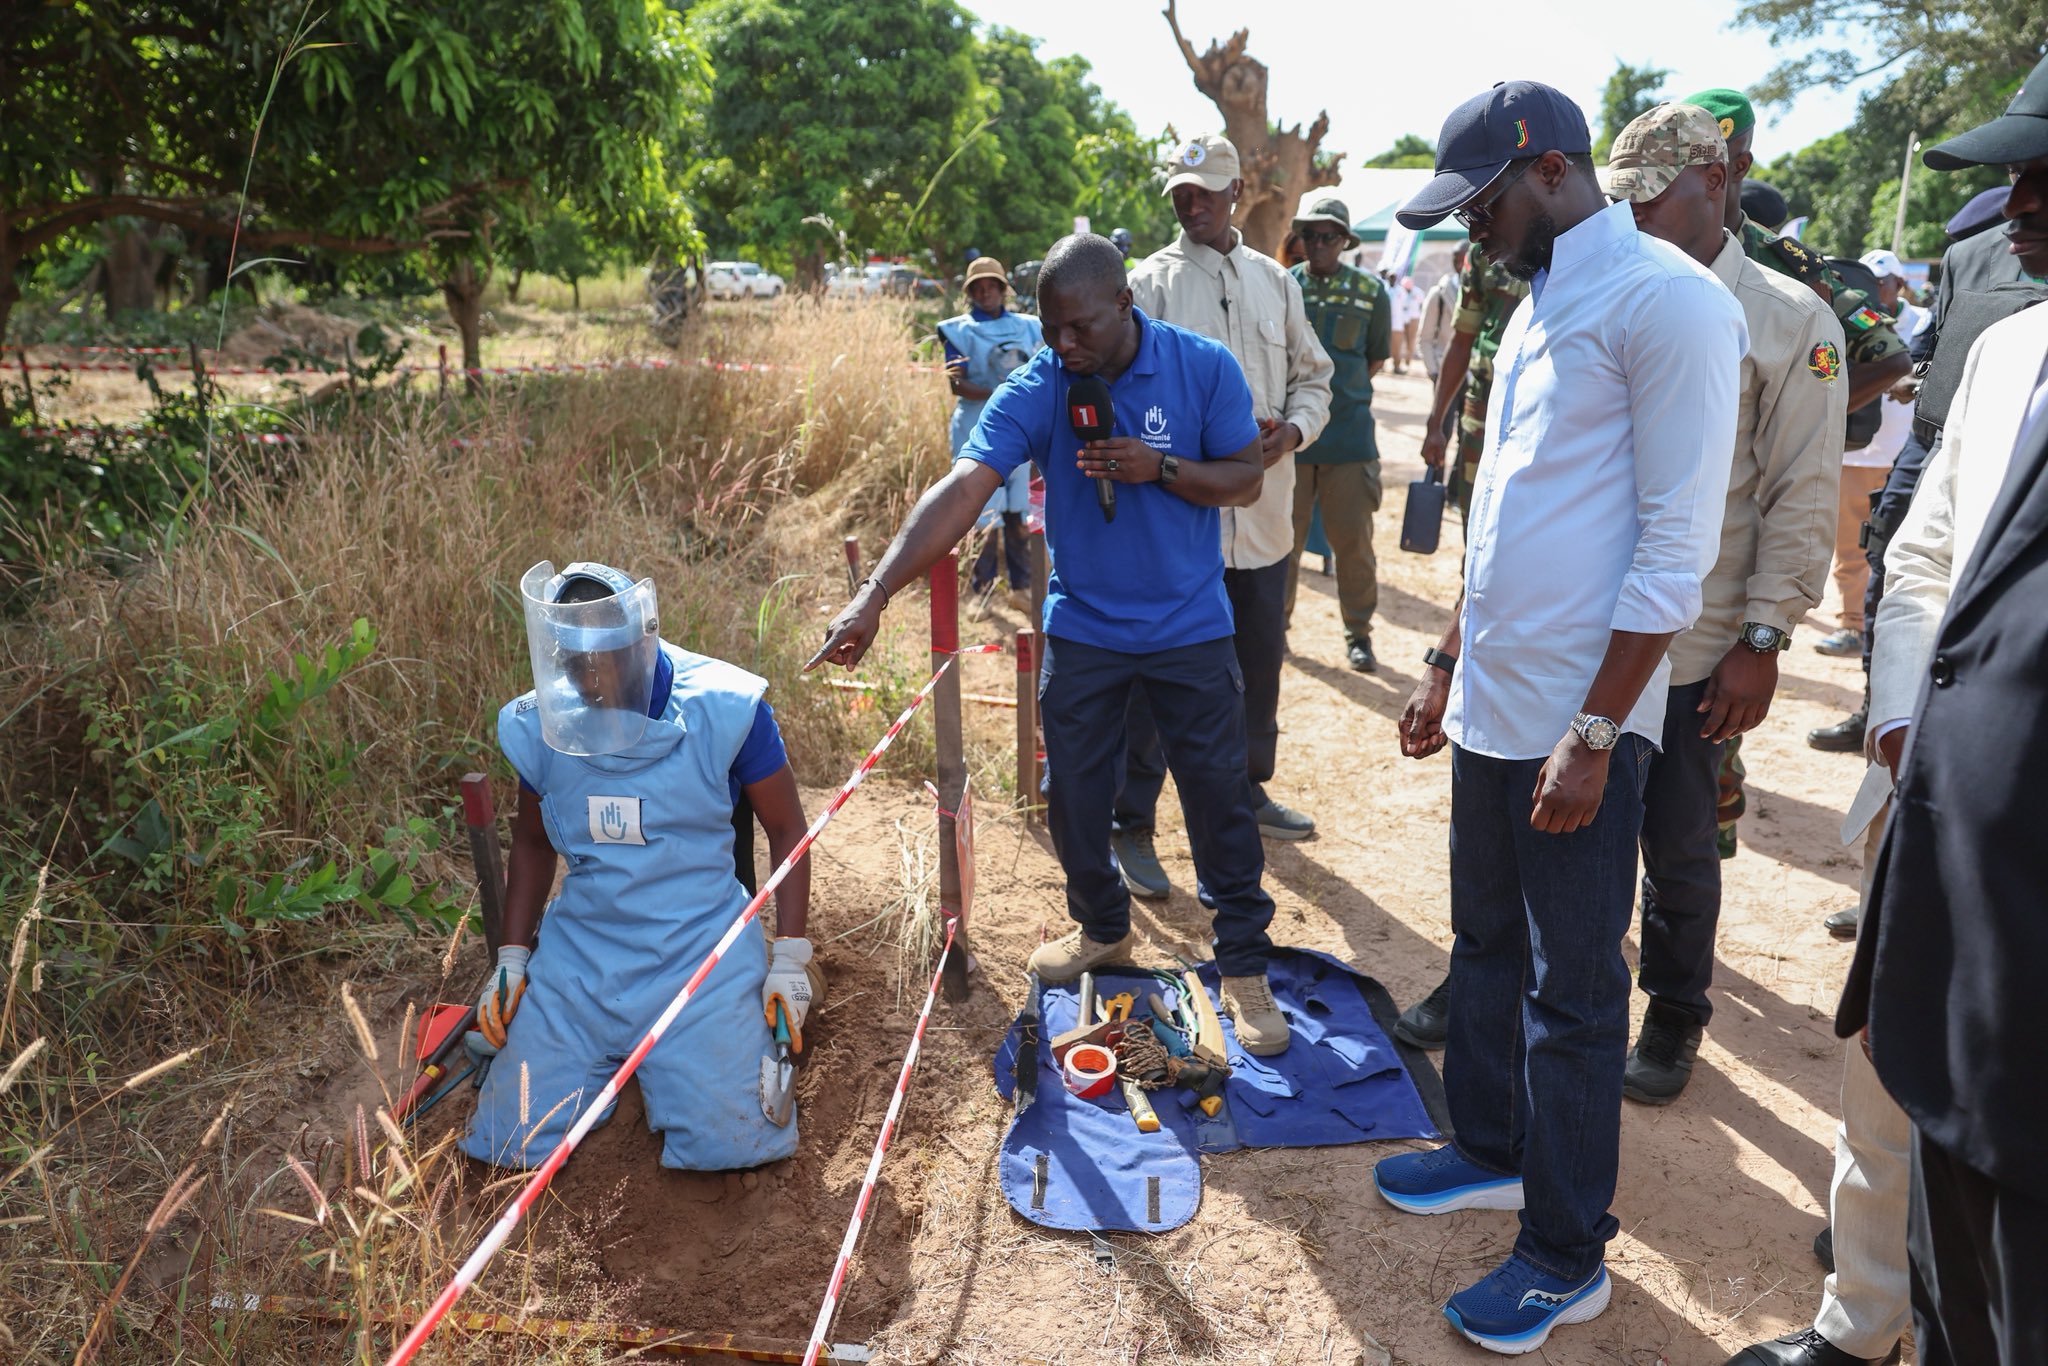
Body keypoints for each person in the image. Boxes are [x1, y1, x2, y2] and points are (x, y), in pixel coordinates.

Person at [1371, 81, 1745, 1357]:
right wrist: (1441, 659)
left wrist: (1593, 733)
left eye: (1476, 206)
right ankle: (1485, 1143)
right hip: (1493, 696)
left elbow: (1671, 548)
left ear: (1544, 171)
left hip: (1586, 720)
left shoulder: (1670, 302)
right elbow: (1504, 514)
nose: (1468, 233)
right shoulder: (1533, 302)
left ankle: (1563, 1249)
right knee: (1482, 936)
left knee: (1572, 991)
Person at [1734, 74, 2048, 1366]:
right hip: (1925, 792)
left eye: (2041, 180)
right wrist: (1901, 731)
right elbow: (1919, 560)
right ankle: (1860, 1327)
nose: (2013, 209)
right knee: (1886, 1077)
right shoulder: (2010, 347)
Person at [807, 233, 1295, 1055]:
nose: (1063, 345)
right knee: (1071, 797)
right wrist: (874, 593)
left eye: (1078, 329)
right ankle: (1104, 929)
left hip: (1190, 628)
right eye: (1051, 329)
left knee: (1219, 800)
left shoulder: (1201, 366)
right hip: (1086, 630)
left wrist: (1160, 468)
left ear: (1123, 307)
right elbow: (965, 485)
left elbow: (1244, 475)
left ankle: (1243, 963)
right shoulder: (1043, 383)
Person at [1600, 104, 1846, 1104]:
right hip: (1594, 625)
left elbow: (1799, 490)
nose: (1632, 218)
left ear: (1713, 180)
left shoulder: (1789, 319)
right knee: (1561, 824)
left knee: (1680, 840)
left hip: (1698, 638)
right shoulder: (1610, 291)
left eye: (1648, 199)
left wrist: (1761, 634)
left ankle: (1672, 1008)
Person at [464, 561, 821, 1171]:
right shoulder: (543, 723)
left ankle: (709, 1057)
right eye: (573, 663)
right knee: (506, 1140)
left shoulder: (725, 708)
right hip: (585, 953)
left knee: (733, 1142)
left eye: (605, 658)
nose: (591, 678)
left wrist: (789, 961)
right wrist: (513, 960)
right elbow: (530, 842)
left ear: (640, 641)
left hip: (700, 947)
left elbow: (787, 829)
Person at [1109, 132, 1334, 903]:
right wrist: (1209, 452)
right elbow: (1127, 402)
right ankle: (1131, 823)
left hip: (1265, 520)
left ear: (1238, 192)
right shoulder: (1150, 284)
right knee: (1153, 680)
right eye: (1181, 191)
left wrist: (1292, 433)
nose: (1190, 202)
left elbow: (1314, 379)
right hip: (1178, 526)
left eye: (1205, 190)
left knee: (1258, 664)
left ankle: (1248, 790)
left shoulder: (1277, 282)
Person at [1806, 183, 2034, 761]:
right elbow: (1932, 346)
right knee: (1891, 570)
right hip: (1933, 444)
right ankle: (1878, 707)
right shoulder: (1966, 259)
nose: (2016, 212)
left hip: (2009, 459)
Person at [1284, 196, 1393, 673]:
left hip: (1349, 440)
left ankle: (1359, 635)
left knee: (1353, 547)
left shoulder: (1371, 292)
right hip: (1291, 441)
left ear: (1345, 242)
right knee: (1280, 545)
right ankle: (1274, 631)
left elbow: (1372, 359)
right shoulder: (1283, 286)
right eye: (1309, 235)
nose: (1318, 245)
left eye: (1329, 236)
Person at [941, 257, 1043, 610]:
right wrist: (1003, 392)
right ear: (971, 293)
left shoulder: (1030, 327)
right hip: (976, 428)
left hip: (1021, 428)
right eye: (978, 287)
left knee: (1019, 508)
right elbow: (957, 384)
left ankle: (1021, 587)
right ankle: (981, 592)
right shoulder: (960, 330)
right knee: (980, 510)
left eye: (992, 286)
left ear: (1003, 289)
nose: (986, 292)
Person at [1416, 241, 1530, 529]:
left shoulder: (1571, 241)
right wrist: (1436, 422)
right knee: (1475, 514)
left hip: (1538, 408)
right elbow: (1462, 339)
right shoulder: (1481, 252)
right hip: (1482, 403)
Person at [1419, 247, 1465, 379]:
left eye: (1464, 260)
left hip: (1473, 376)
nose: (1459, 265)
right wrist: (1433, 370)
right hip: (1444, 371)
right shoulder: (1439, 294)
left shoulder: (1485, 293)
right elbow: (1424, 338)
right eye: (1456, 260)